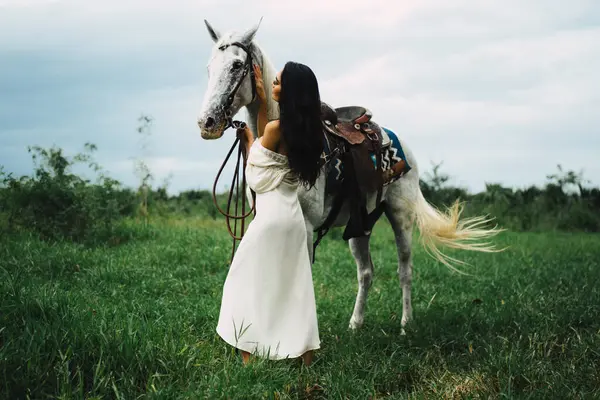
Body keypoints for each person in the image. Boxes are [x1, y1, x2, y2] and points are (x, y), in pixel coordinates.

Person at [216, 61, 324, 366]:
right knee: (295, 287)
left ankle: (249, 360)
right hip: (293, 221)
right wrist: (262, 97)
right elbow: (272, 144)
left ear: (289, 91)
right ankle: (307, 359)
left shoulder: (277, 129)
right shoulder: (307, 131)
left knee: (245, 281)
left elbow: (257, 172)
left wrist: (248, 140)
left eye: (277, 82)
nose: (273, 85)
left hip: (270, 220)